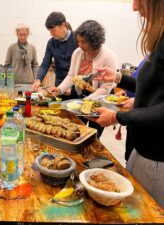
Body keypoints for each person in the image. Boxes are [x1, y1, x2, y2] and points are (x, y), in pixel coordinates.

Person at [91, 0, 164, 208]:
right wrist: (118, 78)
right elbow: (154, 89)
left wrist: (117, 117)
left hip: (157, 159)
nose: (134, 7)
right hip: (142, 152)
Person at [49, 20, 117, 138]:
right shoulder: (78, 53)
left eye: (84, 42)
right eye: (78, 41)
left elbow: (106, 87)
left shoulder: (108, 56)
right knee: (78, 130)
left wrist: (87, 101)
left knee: (93, 134)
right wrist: (59, 89)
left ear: (94, 41)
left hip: (100, 100)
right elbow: (72, 76)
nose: (80, 45)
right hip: (83, 97)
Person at [32, 11, 78, 99]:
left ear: (63, 24)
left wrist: (70, 85)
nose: (51, 34)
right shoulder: (51, 42)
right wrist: (38, 79)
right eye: (49, 31)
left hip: (76, 84)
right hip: (59, 84)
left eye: (53, 30)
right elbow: (45, 64)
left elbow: (83, 66)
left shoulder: (77, 39)